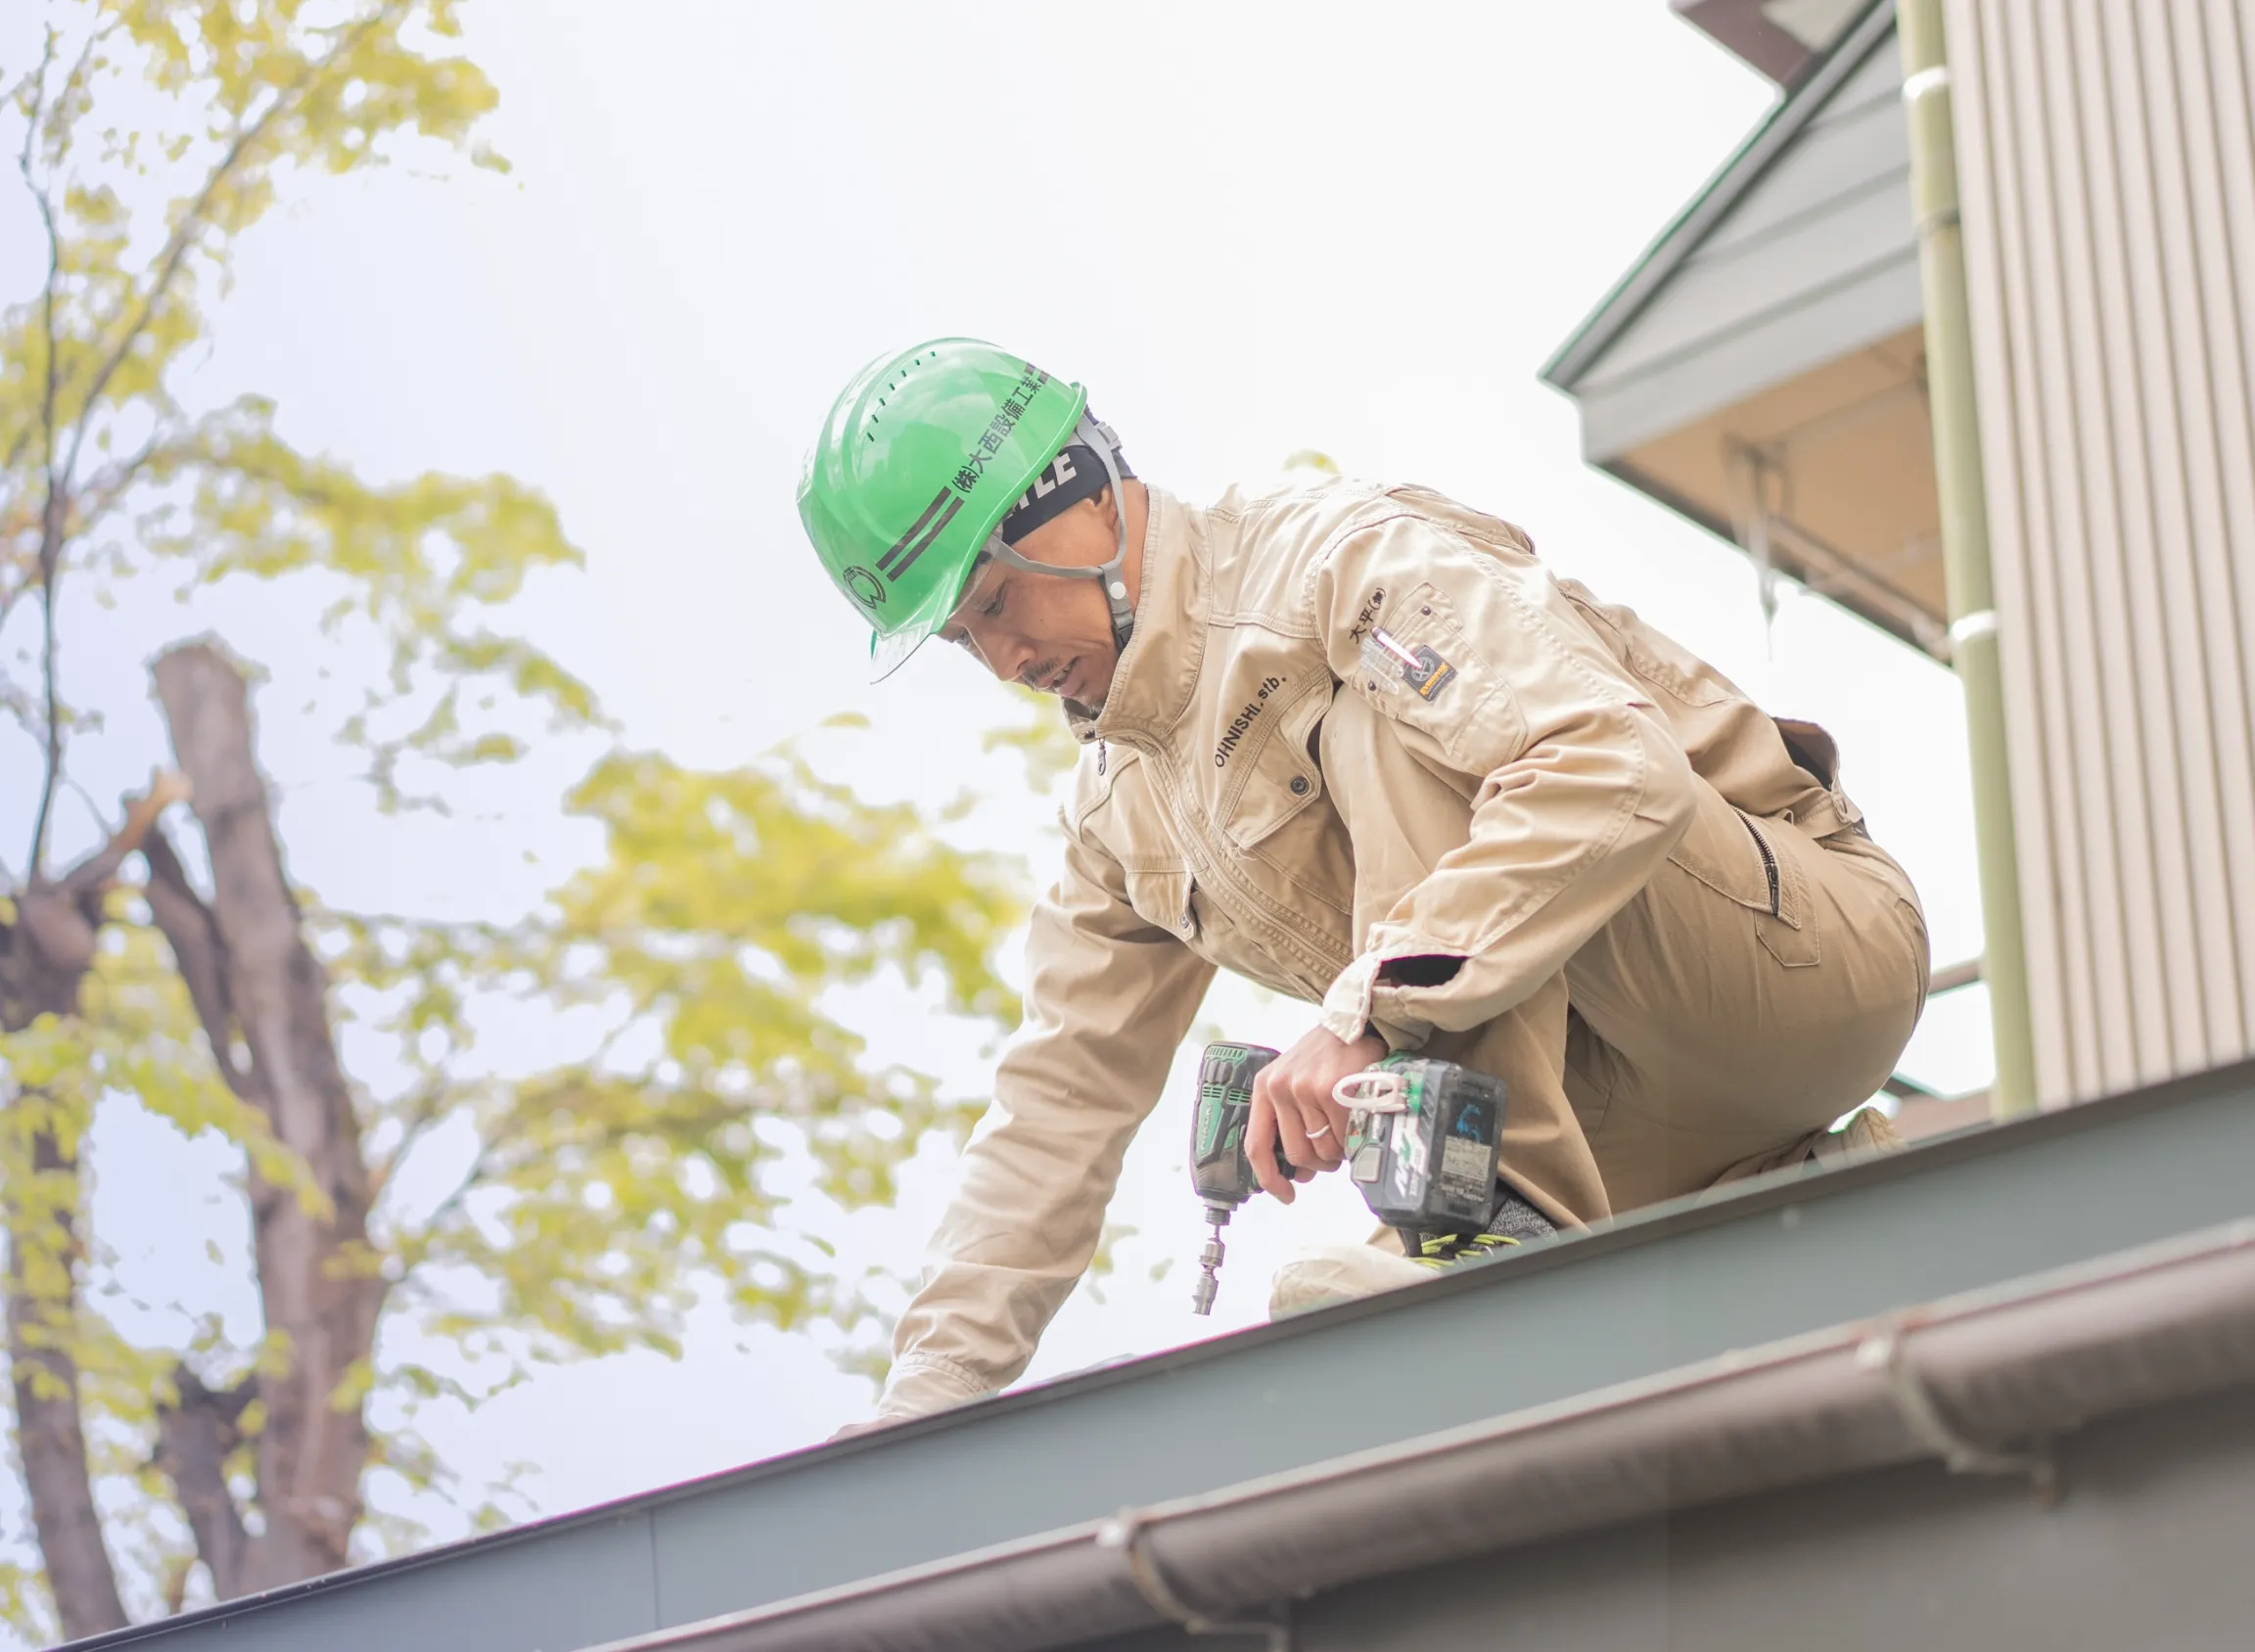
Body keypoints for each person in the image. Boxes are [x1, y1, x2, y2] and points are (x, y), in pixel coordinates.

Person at [800, 339, 1928, 1426]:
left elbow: (1607, 764)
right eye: (961, 638)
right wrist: (930, 1386)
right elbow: (1059, 1095)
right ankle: (1548, 1229)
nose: (1004, 661)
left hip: (1800, 962)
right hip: (1632, 1134)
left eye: (996, 600)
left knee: (1380, 727)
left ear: (1084, 491)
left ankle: (1490, 1231)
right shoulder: (1115, 804)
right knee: (1324, 1349)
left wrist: (1368, 1013)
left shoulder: (1333, 562)